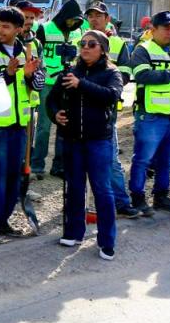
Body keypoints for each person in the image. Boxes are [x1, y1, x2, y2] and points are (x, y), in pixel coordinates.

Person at [46, 31, 123, 260]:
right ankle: (74, 232)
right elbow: (51, 99)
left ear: (102, 49)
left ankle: (107, 241)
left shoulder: (111, 72)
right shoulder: (71, 71)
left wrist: (82, 84)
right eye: (83, 44)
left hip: (99, 140)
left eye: (92, 44)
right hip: (72, 140)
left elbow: (112, 96)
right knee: (75, 188)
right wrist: (54, 115)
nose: (86, 47)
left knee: (103, 190)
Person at [0, 7, 44, 243]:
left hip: (19, 123)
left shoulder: (27, 50)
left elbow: (37, 86)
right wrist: (7, 76)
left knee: (13, 176)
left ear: (19, 29)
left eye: (6, 26)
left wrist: (32, 76)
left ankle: (3, 221)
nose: (0, 30)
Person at [127, 10, 170, 217]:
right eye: (166, 27)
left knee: (167, 159)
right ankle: (137, 197)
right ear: (153, 29)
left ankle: (161, 196)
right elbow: (141, 75)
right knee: (143, 159)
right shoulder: (143, 50)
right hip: (151, 115)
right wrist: (169, 74)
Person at [82, 1, 136, 218]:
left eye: (98, 15)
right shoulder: (81, 41)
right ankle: (79, 207)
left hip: (105, 111)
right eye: (91, 15)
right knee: (78, 162)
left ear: (107, 19)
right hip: (81, 112)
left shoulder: (118, 44)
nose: (94, 19)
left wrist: (103, 85)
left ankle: (121, 202)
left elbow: (123, 73)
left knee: (111, 159)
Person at [33, 0, 83, 180]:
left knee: (65, 125)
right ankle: (37, 165)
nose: (74, 22)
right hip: (48, 82)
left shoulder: (77, 33)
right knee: (44, 127)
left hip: (68, 82)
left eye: (77, 20)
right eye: (72, 19)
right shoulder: (45, 29)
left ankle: (59, 165)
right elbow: (36, 54)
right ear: (64, 16)